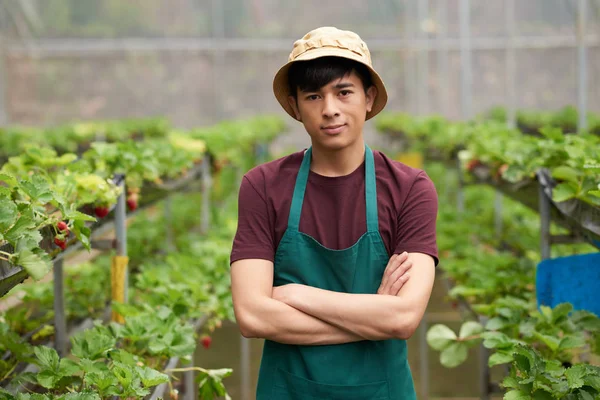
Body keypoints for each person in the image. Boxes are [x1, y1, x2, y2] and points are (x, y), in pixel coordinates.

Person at [230, 26, 438, 400]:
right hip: (289, 390)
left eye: (344, 92)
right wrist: (376, 315)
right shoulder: (263, 186)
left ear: (369, 98)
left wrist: (293, 294)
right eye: (313, 95)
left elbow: (404, 318)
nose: (330, 109)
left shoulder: (409, 188)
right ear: (295, 106)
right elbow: (252, 316)